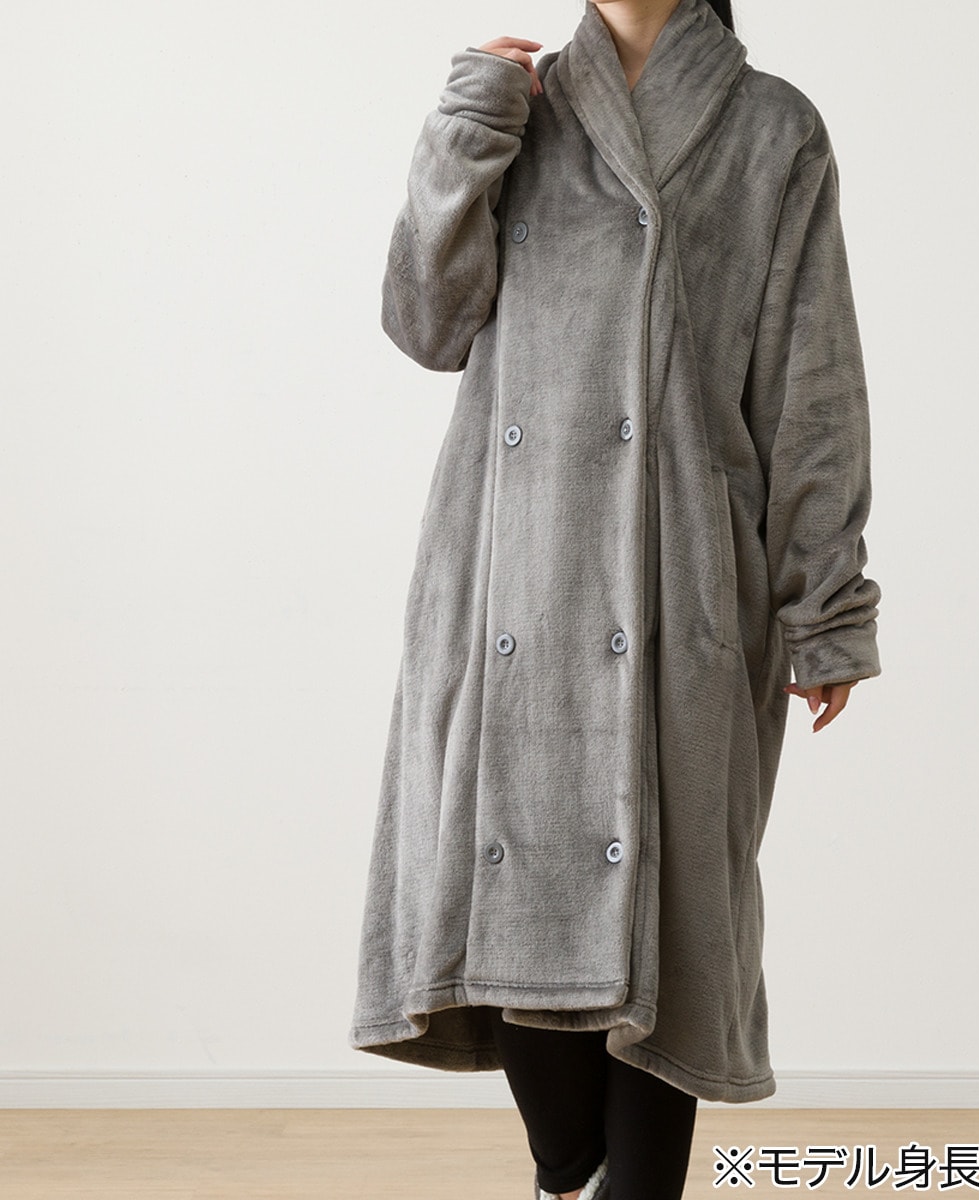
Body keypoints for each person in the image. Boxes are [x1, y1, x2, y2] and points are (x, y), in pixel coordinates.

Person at [349, 2, 882, 1198]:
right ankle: (566, 1171)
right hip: (513, 573)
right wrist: (467, 126)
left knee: (671, 923)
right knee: (521, 898)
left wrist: (825, 604)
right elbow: (425, 325)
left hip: (683, 581)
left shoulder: (772, 129)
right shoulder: (514, 111)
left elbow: (812, 386)